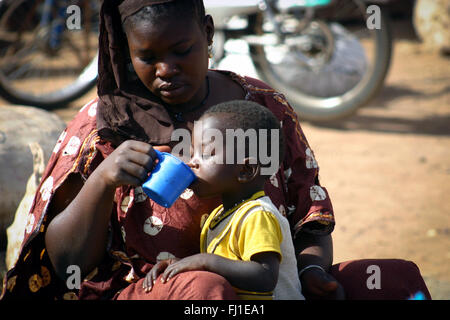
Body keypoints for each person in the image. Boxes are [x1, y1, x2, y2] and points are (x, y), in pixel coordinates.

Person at [1, 0, 430, 300]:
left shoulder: (260, 107)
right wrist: (104, 178)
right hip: (154, 293)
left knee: (395, 280)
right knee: (207, 292)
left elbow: (310, 216)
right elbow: (65, 265)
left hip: (268, 291)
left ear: (206, 32)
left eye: (181, 50)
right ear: (124, 53)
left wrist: (313, 273)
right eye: (146, 57)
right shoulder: (102, 128)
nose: (166, 70)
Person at [143, 100, 304, 300]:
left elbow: (265, 277)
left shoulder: (257, 215)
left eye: (206, 154)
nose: (192, 162)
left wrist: (205, 261)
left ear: (245, 171)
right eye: (193, 153)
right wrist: (182, 265)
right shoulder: (218, 217)